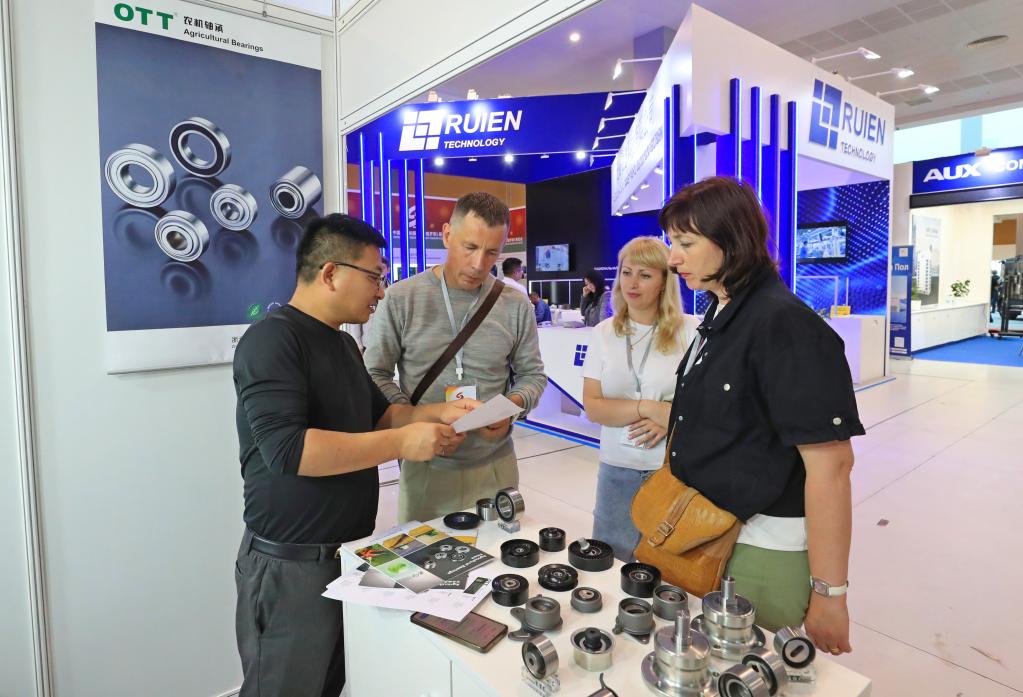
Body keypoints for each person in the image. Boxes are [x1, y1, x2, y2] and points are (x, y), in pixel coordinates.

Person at [232, 214, 477, 697]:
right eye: (374, 277)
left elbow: (381, 417)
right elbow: (289, 450)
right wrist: (402, 444)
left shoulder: (343, 343)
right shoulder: (273, 340)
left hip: (348, 556)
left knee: (330, 683)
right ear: (330, 273)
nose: (381, 292)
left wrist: (438, 415)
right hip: (290, 566)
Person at [655, 177, 862, 655]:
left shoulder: (784, 325)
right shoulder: (721, 314)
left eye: (686, 243)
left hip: (761, 548)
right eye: (672, 243)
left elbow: (832, 468)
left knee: (746, 668)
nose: (673, 258)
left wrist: (830, 594)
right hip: (705, 530)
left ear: (731, 239)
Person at [364, 192, 548, 523]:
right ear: (447, 235)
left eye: (491, 252)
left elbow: (532, 375)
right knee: (425, 557)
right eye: (470, 247)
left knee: (499, 555)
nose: (479, 264)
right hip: (426, 468)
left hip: (496, 467)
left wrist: (511, 408)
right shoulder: (402, 298)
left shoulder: (515, 304)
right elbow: (374, 374)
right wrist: (416, 418)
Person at [582, 236, 696, 562]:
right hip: (616, 467)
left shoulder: (691, 332)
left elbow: (706, 403)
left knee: (667, 566)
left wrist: (670, 417)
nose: (632, 283)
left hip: (671, 469)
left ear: (664, 281)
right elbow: (594, 407)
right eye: (626, 272)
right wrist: (649, 409)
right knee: (610, 561)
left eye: (645, 275)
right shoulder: (604, 333)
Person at [342, 256, 389, 351]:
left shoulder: (393, 289)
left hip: (388, 342)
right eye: (378, 268)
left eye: (383, 268)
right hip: (368, 342)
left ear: (388, 270)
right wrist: (358, 345)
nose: (380, 271)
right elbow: (355, 320)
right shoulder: (363, 289)